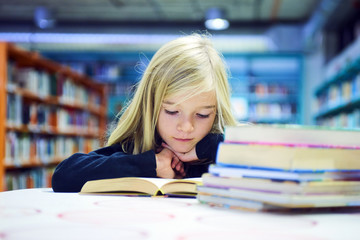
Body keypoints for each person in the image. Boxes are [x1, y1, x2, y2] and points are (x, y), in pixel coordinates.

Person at [52, 33, 238, 192]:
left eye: (202, 115)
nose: (186, 127)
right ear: (151, 105)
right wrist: (152, 164)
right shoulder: (136, 149)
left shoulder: (224, 149)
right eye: (172, 111)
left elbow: (266, 160)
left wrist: (214, 147)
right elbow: (64, 175)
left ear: (217, 112)